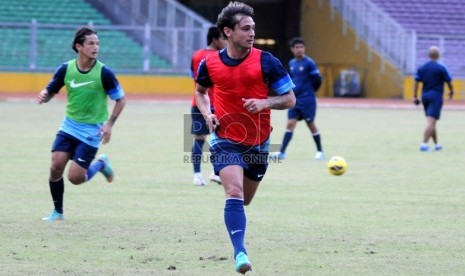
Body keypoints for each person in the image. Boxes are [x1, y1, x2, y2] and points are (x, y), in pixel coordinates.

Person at [194, 2, 295, 274]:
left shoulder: (266, 61)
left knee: (245, 199)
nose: (252, 33)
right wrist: (206, 113)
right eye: (246, 28)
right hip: (225, 136)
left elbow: (289, 98)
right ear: (228, 31)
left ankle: (230, 179)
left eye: (253, 28)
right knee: (234, 192)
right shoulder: (210, 62)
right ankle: (240, 253)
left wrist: (265, 103)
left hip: (259, 142)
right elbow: (200, 91)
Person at [36, 26, 126, 221]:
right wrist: (45, 95)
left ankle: (101, 163)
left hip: (91, 131)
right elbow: (51, 90)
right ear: (79, 46)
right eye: (91, 43)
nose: (96, 47)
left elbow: (121, 100)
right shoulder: (65, 68)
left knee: (75, 178)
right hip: (69, 126)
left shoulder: (104, 73)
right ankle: (58, 212)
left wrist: (109, 125)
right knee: (55, 167)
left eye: (97, 43)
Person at [270, 37, 324, 161]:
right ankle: (281, 153)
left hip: (307, 100)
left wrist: (310, 91)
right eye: (297, 47)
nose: (299, 49)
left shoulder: (309, 63)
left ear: (304, 48)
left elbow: (318, 80)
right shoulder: (292, 63)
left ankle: (320, 151)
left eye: (301, 47)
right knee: (290, 124)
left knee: (310, 124)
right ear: (292, 49)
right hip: (295, 100)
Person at [190, 25, 226, 186]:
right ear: (214, 39)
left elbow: (193, 75)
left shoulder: (196, 55)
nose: (225, 41)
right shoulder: (220, 57)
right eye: (222, 38)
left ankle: (197, 175)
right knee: (221, 140)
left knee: (199, 139)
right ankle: (216, 171)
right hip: (216, 104)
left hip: (198, 103)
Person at [413, 45, 454, 152]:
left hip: (425, 96)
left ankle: (437, 145)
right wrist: (451, 91)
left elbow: (416, 82)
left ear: (428, 55)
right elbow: (449, 81)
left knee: (431, 121)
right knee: (431, 122)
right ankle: (424, 145)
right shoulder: (441, 67)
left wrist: (415, 96)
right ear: (438, 55)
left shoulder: (423, 67)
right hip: (436, 97)